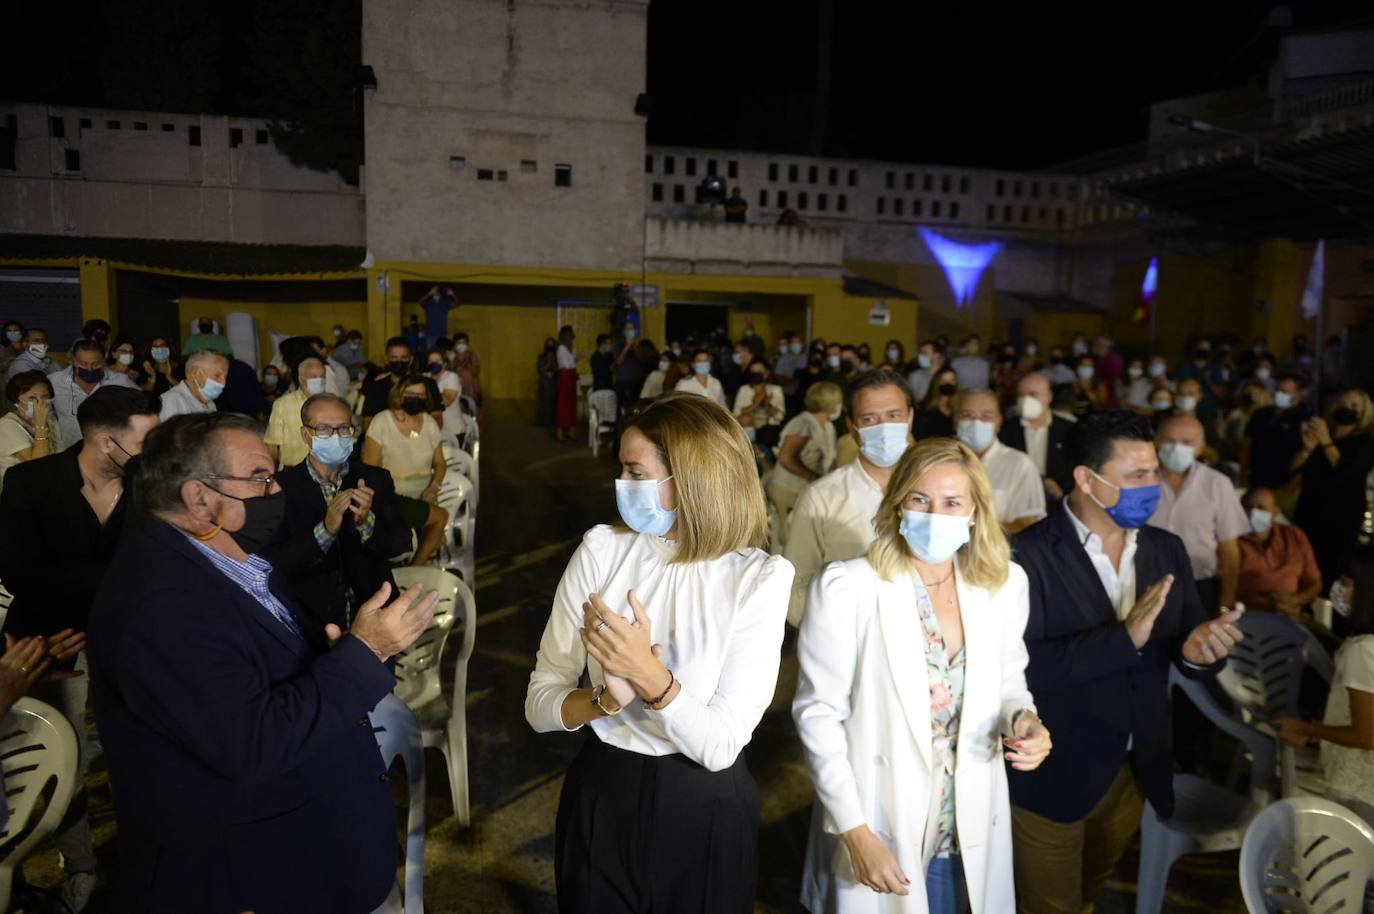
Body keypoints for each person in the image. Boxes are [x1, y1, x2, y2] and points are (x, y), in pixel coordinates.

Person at [88, 411, 437, 914]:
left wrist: (344, 650)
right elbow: (251, 743)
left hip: (310, 852)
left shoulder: (233, 562)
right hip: (255, 878)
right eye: (259, 478)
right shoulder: (160, 604)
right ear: (199, 497)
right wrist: (367, 652)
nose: (276, 490)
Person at [525, 392, 792, 914]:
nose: (620, 485)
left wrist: (652, 680)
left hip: (704, 806)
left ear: (691, 478)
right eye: (621, 469)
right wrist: (604, 699)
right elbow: (539, 704)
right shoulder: (603, 549)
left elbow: (719, 746)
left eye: (635, 472)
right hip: (605, 790)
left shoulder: (756, 578)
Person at [794, 437, 1051, 913]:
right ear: (897, 507)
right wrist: (854, 829)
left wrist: (1025, 723)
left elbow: (1011, 684)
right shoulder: (848, 587)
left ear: (975, 513)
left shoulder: (1002, 585)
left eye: (952, 502)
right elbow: (818, 715)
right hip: (879, 818)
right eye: (920, 499)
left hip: (967, 818)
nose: (936, 514)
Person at [1008, 411, 1243, 914]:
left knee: (1088, 894)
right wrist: (1122, 638)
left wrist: (1198, 654)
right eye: (1136, 476)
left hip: (1135, 768)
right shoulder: (1026, 558)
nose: (1152, 486)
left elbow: (1185, 644)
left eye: (1153, 472)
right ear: (1086, 479)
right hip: (1054, 770)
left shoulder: (1166, 550)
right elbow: (1020, 669)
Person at [0, 386, 162, 911]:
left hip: (130, 644)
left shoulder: (148, 486)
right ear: (108, 442)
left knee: (137, 754)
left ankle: (146, 855)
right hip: (48, 643)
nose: (154, 450)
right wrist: (117, 586)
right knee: (60, 763)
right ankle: (80, 867)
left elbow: (159, 563)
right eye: (147, 439)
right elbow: (20, 571)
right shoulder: (30, 481)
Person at [265, 394, 410, 631]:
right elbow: (277, 564)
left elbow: (400, 545)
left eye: (343, 428)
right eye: (323, 429)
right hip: (311, 621)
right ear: (305, 435)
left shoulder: (375, 479)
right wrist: (325, 531)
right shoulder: (282, 488)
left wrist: (366, 523)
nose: (335, 436)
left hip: (375, 613)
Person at [785, 370, 915, 626]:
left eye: (893, 415)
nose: (884, 427)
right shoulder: (822, 497)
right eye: (869, 419)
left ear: (910, 418)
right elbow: (796, 590)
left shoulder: (940, 489)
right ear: (852, 426)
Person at [1277, 548, 1374, 826]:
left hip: (1359, 789)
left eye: (1347, 582)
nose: (1338, 589)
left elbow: (1366, 736)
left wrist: (1306, 729)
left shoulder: (1363, 651)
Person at [1147, 415, 1249, 612]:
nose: (1177, 448)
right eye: (1169, 440)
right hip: (1146, 584)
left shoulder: (1217, 484)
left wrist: (1228, 598)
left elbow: (1229, 548)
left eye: (1186, 442)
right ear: (1157, 442)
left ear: (1201, 447)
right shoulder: (1138, 481)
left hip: (1199, 586)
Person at [362, 375, 449, 566]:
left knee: (437, 519)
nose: (415, 398)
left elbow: (440, 463)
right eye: (410, 394)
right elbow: (370, 469)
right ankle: (414, 569)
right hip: (393, 493)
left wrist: (434, 487)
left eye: (420, 395)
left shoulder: (429, 423)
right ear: (399, 394)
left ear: (426, 399)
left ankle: (418, 568)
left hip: (425, 492)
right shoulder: (382, 421)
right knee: (440, 516)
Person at [1292, 388, 1374, 591]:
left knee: (1329, 576)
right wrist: (1307, 449)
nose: (1346, 408)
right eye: (1343, 403)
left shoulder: (1365, 443)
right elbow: (1294, 471)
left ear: (1364, 413)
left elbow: (1348, 472)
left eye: (1354, 406)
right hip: (1308, 514)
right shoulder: (1323, 438)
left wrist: (1326, 440)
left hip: (1339, 522)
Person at [955, 389, 1046, 535]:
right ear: (955, 420)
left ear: (999, 421)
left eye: (987, 416)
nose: (977, 422)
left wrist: (972, 534)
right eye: (968, 415)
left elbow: (1028, 524)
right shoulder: (939, 462)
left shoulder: (1019, 464)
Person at [768, 382, 841, 534]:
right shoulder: (803, 424)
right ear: (830, 403)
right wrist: (813, 477)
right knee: (789, 535)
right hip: (790, 488)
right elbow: (786, 457)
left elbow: (829, 458)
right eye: (839, 401)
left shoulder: (828, 427)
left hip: (808, 488)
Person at [1236, 487, 1321, 617]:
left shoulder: (1294, 536)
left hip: (1293, 614)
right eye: (1249, 507)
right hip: (1250, 617)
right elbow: (1226, 588)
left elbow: (1314, 582)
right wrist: (1267, 604)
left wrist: (1296, 600)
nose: (1254, 512)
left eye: (1261, 508)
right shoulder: (1233, 542)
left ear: (1275, 511)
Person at [48, 337, 139, 444]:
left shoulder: (120, 381)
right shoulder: (54, 381)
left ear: (104, 361)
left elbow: (142, 406)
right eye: (83, 363)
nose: (89, 368)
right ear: (74, 361)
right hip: (68, 450)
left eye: (95, 364)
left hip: (107, 450)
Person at [1001, 370, 1074, 503]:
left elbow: (1076, 469)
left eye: (1033, 394)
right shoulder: (1006, 431)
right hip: (1017, 504)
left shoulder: (1069, 430)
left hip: (1058, 505)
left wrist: (1060, 488)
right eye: (1021, 395)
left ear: (1049, 397)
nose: (1026, 400)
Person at [1243, 372, 1308, 489]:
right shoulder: (1261, 414)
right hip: (1255, 480)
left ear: (1298, 395)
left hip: (1283, 485)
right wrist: (1243, 476)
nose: (1278, 394)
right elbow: (1247, 445)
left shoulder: (1304, 420)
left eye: (1284, 392)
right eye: (1277, 390)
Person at [0, 370, 60, 492]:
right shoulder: (7, 425)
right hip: (20, 494)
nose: (40, 402)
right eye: (32, 398)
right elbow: (37, 466)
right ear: (16, 401)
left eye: (45, 396)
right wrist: (40, 426)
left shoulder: (51, 421)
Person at [264, 357, 329, 468]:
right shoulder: (283, 404)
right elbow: (272, 444)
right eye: (314, 377)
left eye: (322, 377)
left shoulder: (332, 404)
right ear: (301, 379)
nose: (319, 380)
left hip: (325, 470)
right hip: (291, 470)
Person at [157, 348, 228, 422]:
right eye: (217, 375)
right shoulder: (171, 401)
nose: (223, 383)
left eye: (225, 377)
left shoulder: (210, 404)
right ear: (196, 372)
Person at [361, 337, 417, 421]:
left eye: (403, 357)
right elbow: (368, 421)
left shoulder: (426, 385)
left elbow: (436, 419)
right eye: (394, 358)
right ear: (386, 359)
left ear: (411, 359)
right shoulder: (374, 388)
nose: (399, 361)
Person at [733, 359, 785, 446]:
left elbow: (779, 415)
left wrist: (767, 403)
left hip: (769, 431)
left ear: (766, 373)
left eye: (759, 371)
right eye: (753, 371)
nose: (756, 374)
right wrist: (756, 401)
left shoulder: (776, 390)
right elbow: (737, 413)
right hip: (747, 431)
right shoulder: (744, 390)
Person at [425, 347, 465, 448]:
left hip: (452, 429)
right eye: (431, 361)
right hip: (432, 428)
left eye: (438, 361)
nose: (433, 363)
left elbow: (446, 401)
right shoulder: (425, 377)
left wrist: (425, 395)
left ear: (445, 363)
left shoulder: (451, 377)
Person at [914, 368, 958, 439]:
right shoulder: (925, 407)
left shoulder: (959, 407)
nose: (948, 384)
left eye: (952, 380)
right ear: (937, 382)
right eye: (944, 380)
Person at [554, 325, 579, 443]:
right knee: (563, 404)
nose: (572, 335)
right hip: (565, 377)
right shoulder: (561, 348)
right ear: (566, 335)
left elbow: (572, 362)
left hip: (570, 377)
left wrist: (577, 358)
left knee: (571, 404)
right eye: (571, 333)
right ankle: (560, 430)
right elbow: (566, 365)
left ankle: (570, 430)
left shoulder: (570, 348)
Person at [451, 331, 481, 407]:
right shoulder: (452, 356)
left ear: (467, 344)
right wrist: (451, 361)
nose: (461, 345)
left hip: (471, 388)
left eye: (463, 343)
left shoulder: (472, 356)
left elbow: (476, 372)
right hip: (456, 388)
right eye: (459, 343)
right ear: (455, 344)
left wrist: (464, 370)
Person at [536, 337, 559, 427]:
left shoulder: (556, 356)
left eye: (552, 345)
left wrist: (553, 363)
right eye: (548, 345)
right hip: (544, 383)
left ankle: (553, 422)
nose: (550, 347)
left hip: (554, 382)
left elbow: (558, 368)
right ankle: (543, 422)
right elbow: (539, 369)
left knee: (553, 402)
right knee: (544, 403)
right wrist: (548, 364)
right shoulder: (541, 357)